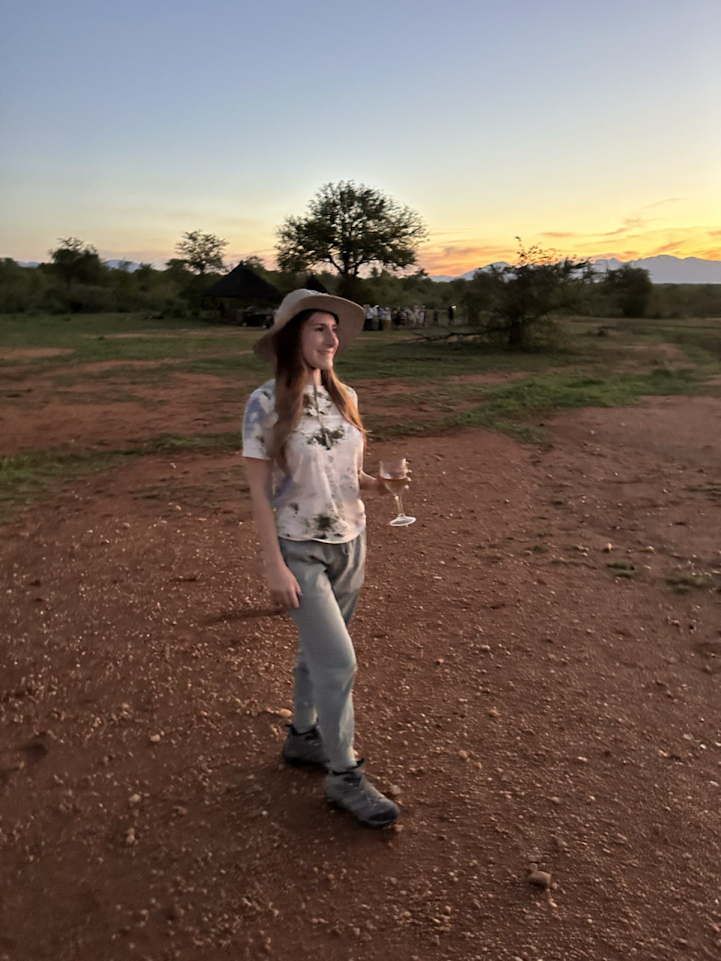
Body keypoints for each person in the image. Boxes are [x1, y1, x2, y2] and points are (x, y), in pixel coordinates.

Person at [242, 288, 405, 828]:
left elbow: (347, 478)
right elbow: (260, 492)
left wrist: (380, 485)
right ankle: (343, 775)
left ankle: (302, 737)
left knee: (316, 655)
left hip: (351, 542)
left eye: (334, 329)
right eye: (318, 328)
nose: (332, 338)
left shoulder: (345, 396)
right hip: (299, 547)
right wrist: (273, 565)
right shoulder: (264, 403)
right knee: (339, 663)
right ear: (293, 336)